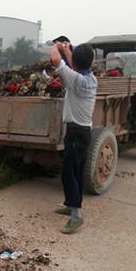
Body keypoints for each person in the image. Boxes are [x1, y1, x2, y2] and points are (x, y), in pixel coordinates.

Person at [51, 42, 97, 234]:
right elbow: (73, 65)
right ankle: (71, 204)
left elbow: (55, 59)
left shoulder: (76, 80)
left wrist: (56, 46)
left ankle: (76, 216)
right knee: (76, 171)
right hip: (83, 131)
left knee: (68, 173)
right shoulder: (90, 78)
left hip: (76, 132)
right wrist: (68, 51)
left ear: (76, 64)